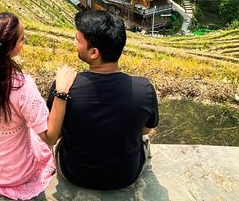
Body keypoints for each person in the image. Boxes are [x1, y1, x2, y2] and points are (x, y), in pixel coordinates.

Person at [0, 12, 77, 200]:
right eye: (21, 39)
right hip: (13, 172)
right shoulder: (23, 87)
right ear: (10, 49)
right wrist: (61, 93)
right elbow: (50, 137)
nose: (25, 40)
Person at [47, 10, 159, 191]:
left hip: (73, 173)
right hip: (125, 177)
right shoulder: (143, 89)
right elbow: (145, 130)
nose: (75, 44)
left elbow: (54, 133)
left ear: (93, 52)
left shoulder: (64, 86)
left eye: (77, 40)